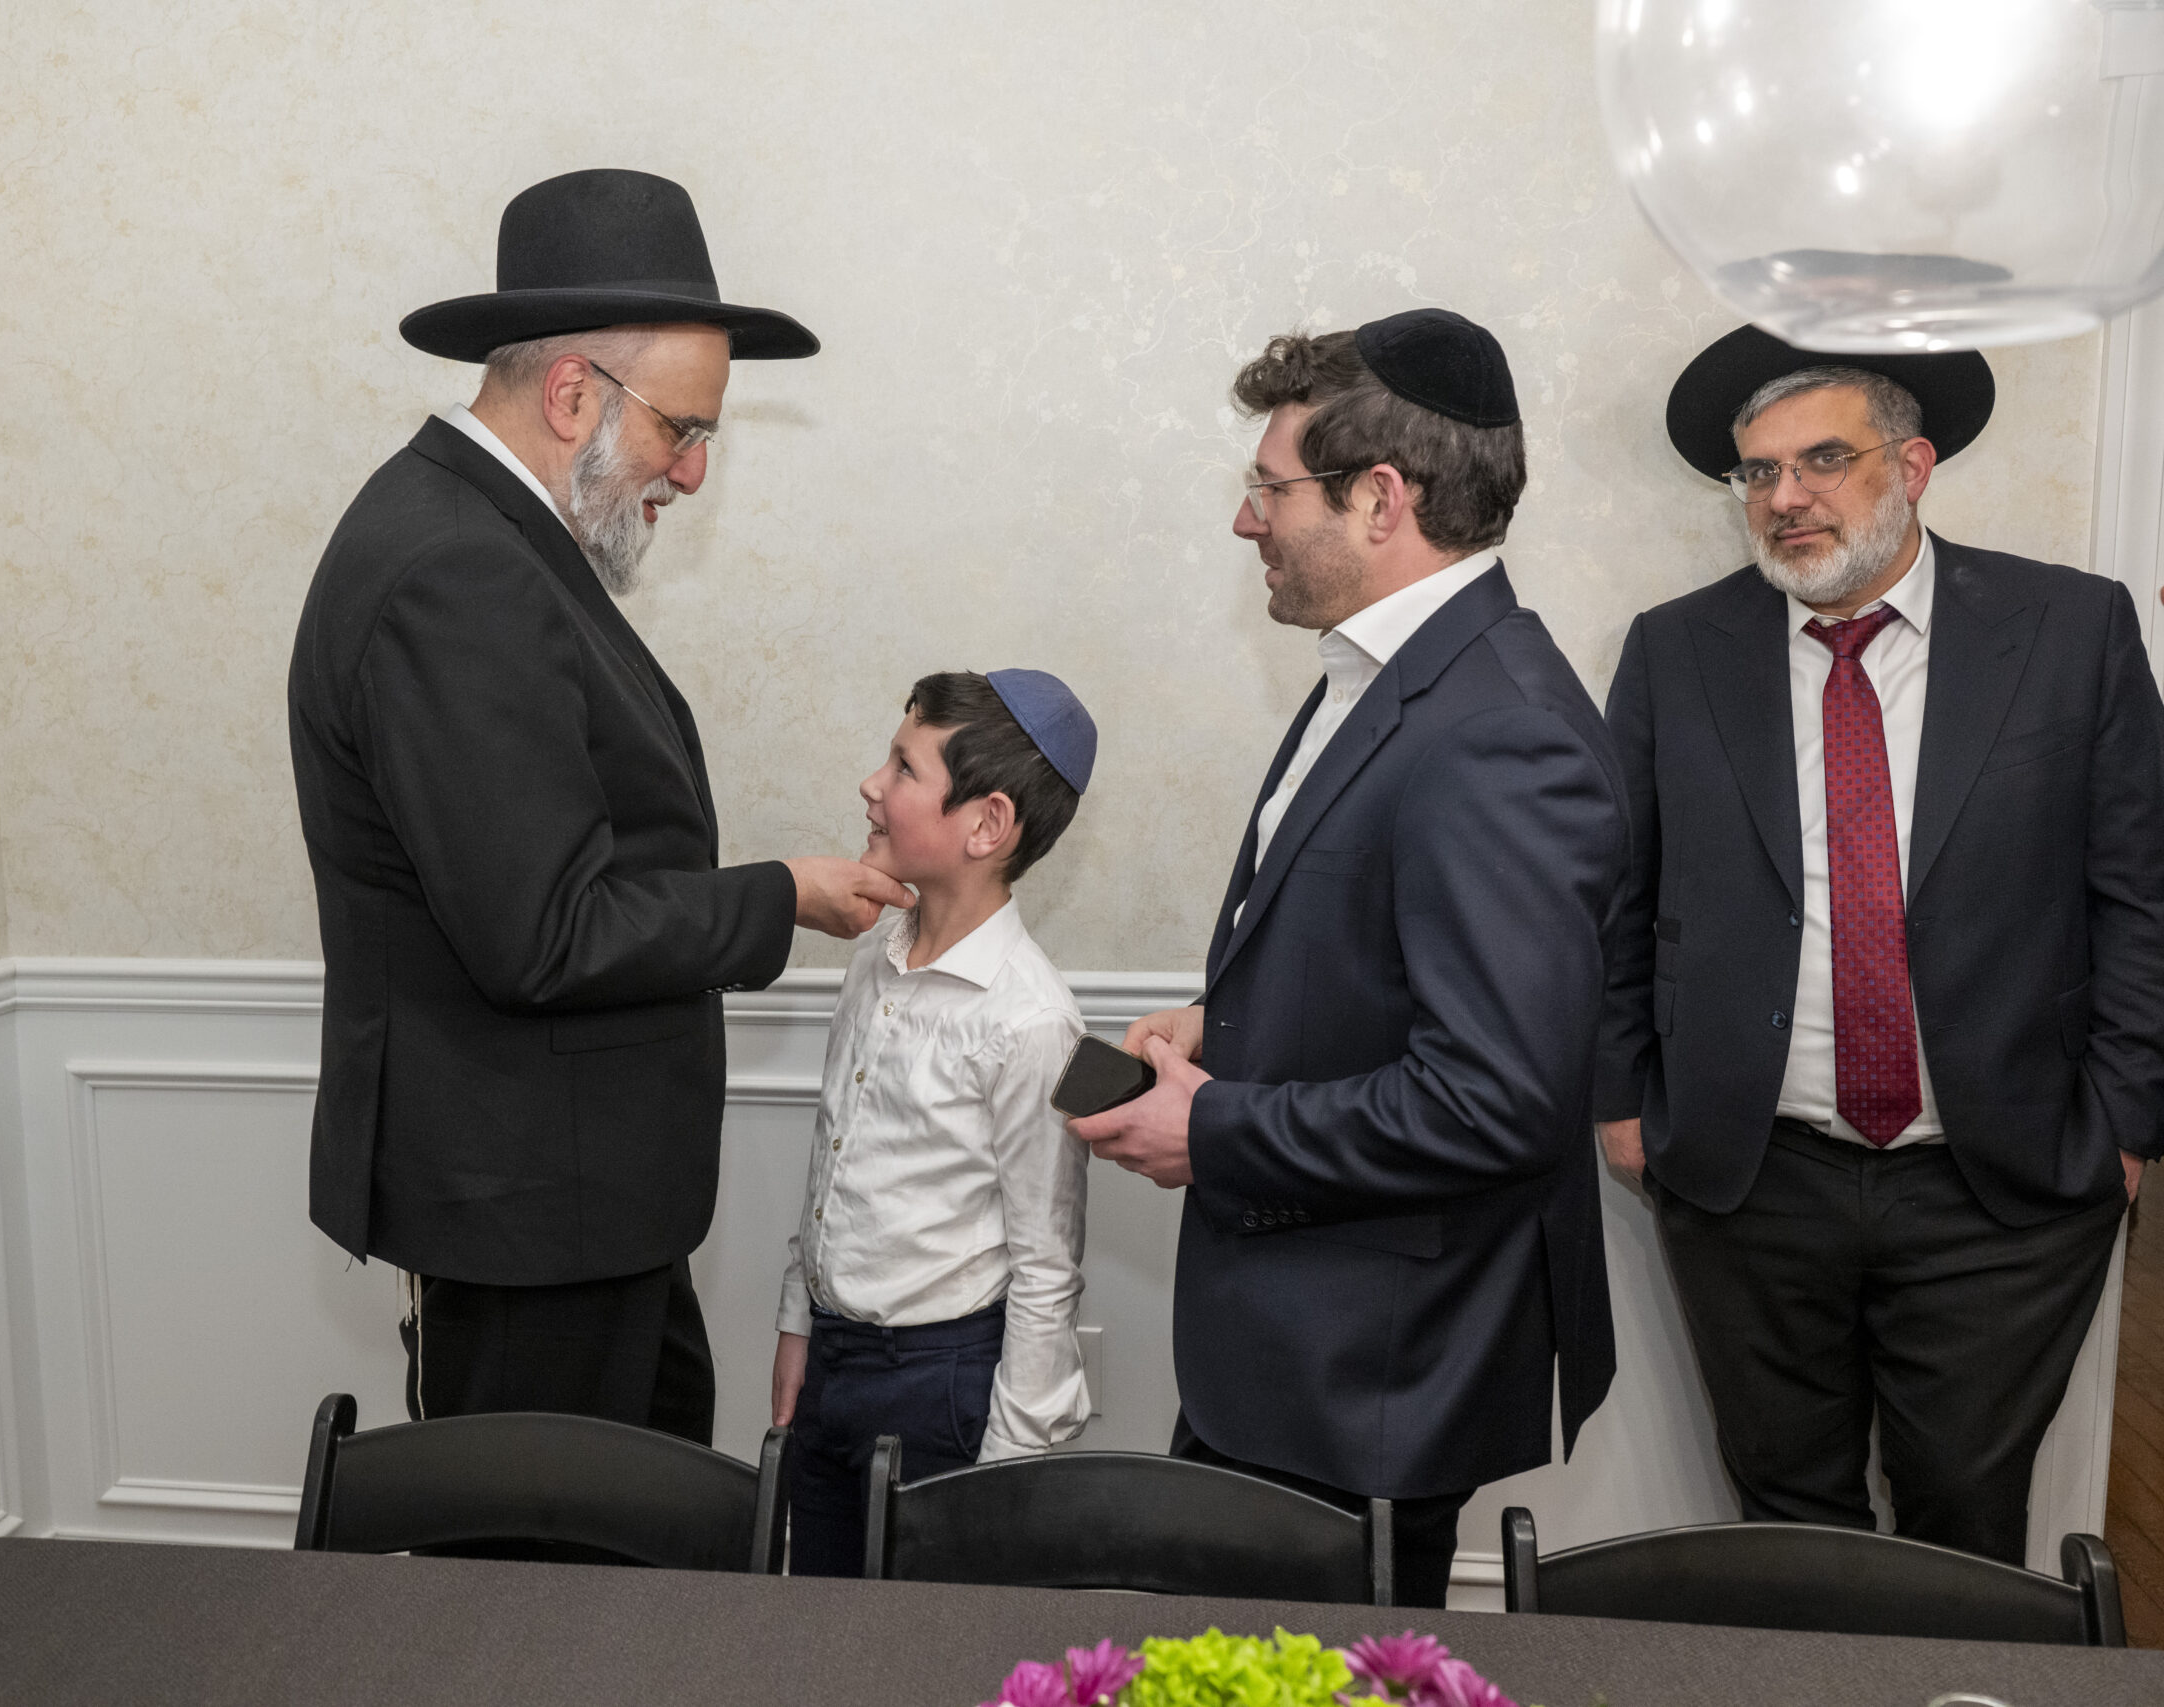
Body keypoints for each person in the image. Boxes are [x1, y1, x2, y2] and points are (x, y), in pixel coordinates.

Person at [288, 169, 909, 1443]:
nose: (692, 472)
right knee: (539, 1565)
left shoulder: (487, 539)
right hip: (525, 1212)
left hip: (570, 1202)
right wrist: (779, 897)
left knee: (645, 1541)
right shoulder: (458, 570)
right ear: (572, 393)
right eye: (683, 429)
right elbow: (544, 935)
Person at [1073, 310, 1624, 1607]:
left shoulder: (1503, 730)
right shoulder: (1387, 672)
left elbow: (1494, 1098)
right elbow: (1392, 953)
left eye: (1269, 489)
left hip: (1373, 1365)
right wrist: (1227, 1018)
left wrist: (1213, 1128)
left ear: (1381, 499)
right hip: (1304, 1346)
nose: (1244, 520)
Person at [1597, 326, 2164, 1563]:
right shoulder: (1675, 650)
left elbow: (2141, 894)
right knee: (1785, 1514)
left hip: (2001, 1181)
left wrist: (2123, 1126)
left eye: (1822, 460)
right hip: (1752, 1175)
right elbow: (1616, 896)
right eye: (1758, 472)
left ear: (1910, 467)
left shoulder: (2069, 629)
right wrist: (1622, 1103)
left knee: (1964, 1518)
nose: (1783, 497)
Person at [770, 670, 1097, 1575]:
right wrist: (799, 1323)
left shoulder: (1031, 1020)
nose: (871, 784)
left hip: (940, 1389)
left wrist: (1007, 1469)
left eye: (904, 768)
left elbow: (1046, 1264)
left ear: (987, 824)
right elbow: (833, 1152)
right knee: (821, 1617)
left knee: (924, 1634)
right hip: (833, 1360)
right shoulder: (875, 954)